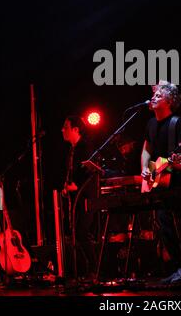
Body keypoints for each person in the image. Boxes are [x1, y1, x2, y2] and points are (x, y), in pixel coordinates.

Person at [141, 81, 181, 283]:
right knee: (160, 225)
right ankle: (175, 269)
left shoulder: (177, 123)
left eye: (159, 96)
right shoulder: (151, 124)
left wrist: (170, 164)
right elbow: (146, 150)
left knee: (170, 223)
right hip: (157, 183)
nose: (153, 98)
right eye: (153, 95)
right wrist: (145, 168)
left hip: (176, 182)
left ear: (169, 101)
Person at [61, 115, 98, 281]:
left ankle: (94, 269)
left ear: (76, 129)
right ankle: (84, 270)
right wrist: (66, 185)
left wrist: (75, 184)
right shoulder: (73, 149)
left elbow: (89, 171)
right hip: (76, 197)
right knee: (76, 232)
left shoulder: (85, 147)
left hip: (86, 196)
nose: (63, 130)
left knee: (82, 231)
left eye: (66, 127)